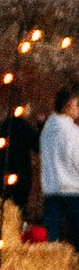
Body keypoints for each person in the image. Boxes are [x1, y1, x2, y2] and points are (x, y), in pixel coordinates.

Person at [40, 86, 79, 246]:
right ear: (68, 106)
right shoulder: (71, 132)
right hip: (73, 190)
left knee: (51, 241)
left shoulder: (47, 129)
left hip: (51, 189)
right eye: (77, 105)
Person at [0, 104, 41, 216]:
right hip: (21, 174)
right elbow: (38, 146)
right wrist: (41, 127)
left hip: (2, 173)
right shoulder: (25, 128)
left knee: (1, 209)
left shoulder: (0, 127)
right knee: (19, 209)